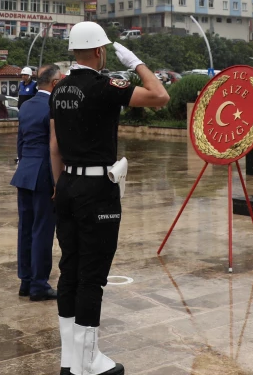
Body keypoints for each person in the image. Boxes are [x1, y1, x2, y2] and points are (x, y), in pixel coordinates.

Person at [49, 22, 169, 375]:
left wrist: (59, 187)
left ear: (75, 51)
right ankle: (89, 362)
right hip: (96, 191)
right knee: (92, 275)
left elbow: (54, 146)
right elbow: (160, 97)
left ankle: (70, 360)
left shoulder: (59, 89)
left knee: (69, 269)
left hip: (67, 185)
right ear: (100, 52)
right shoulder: (104, 86)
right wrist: (136, 64)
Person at [12, 63, 63, 302]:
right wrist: (57, 180)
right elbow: (55, 146)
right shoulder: (54, 107)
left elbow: (20, 143)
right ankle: (39, 285)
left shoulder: (26, 106)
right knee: (42, 230)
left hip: (25, 171)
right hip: (44, 172)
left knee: (26, 228)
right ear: (54, 84)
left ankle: (26, 280)